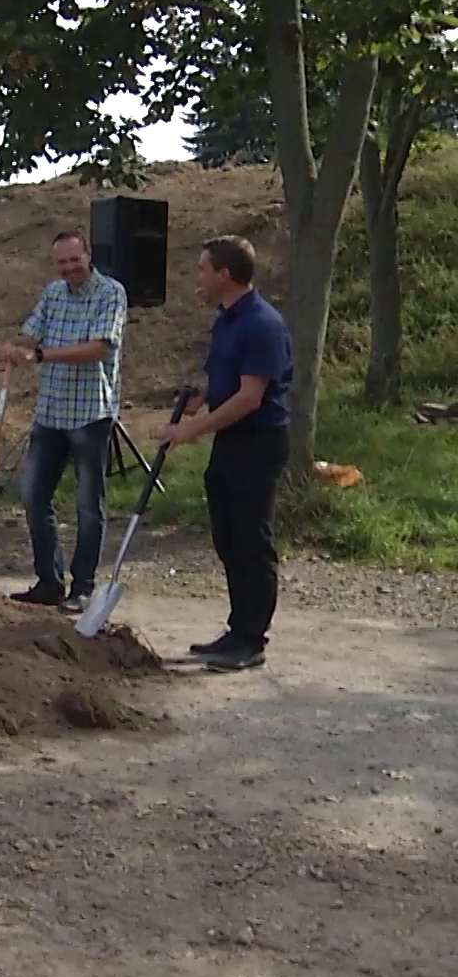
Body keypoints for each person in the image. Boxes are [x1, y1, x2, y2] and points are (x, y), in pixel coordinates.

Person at [160, 236, 294, 673]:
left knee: (251, 541)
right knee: (229, 538)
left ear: (225, 274)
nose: (196, 277)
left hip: (258, 441)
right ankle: (237, 629)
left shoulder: (261, 323)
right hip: (230, 443)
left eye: (202, 269)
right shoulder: (226, 321)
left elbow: (250, 398)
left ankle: (251, 639)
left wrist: (188, 430)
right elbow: (229, 383)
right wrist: (202, 396)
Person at [0, 231, 129, 612]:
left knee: (89, 505)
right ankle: (49, 581)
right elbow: (31, 331)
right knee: (34, 496)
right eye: (62, 262)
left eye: (75, 260)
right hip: (51, 412)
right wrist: (17, 346)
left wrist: (40, 355)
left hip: (90, 413)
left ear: (88, 255)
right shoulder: (53, 293)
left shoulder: (111, 293)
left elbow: (98, 348)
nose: (70, 268)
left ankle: (83, 587)